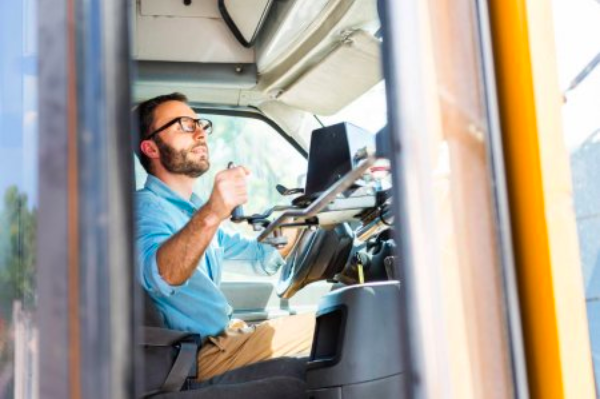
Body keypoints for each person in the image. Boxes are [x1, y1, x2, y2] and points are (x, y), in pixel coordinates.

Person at [134, 93, 315, 381]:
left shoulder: (190, 214)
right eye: (183, 124)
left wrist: (298, 216)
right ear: (151, 148)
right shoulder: (144, 209)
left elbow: (261, 259)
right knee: (338, 329)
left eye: (199, 124)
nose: (199, 132)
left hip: (227, 338)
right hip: (194, 358)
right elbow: (161, 273)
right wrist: (213, 211)